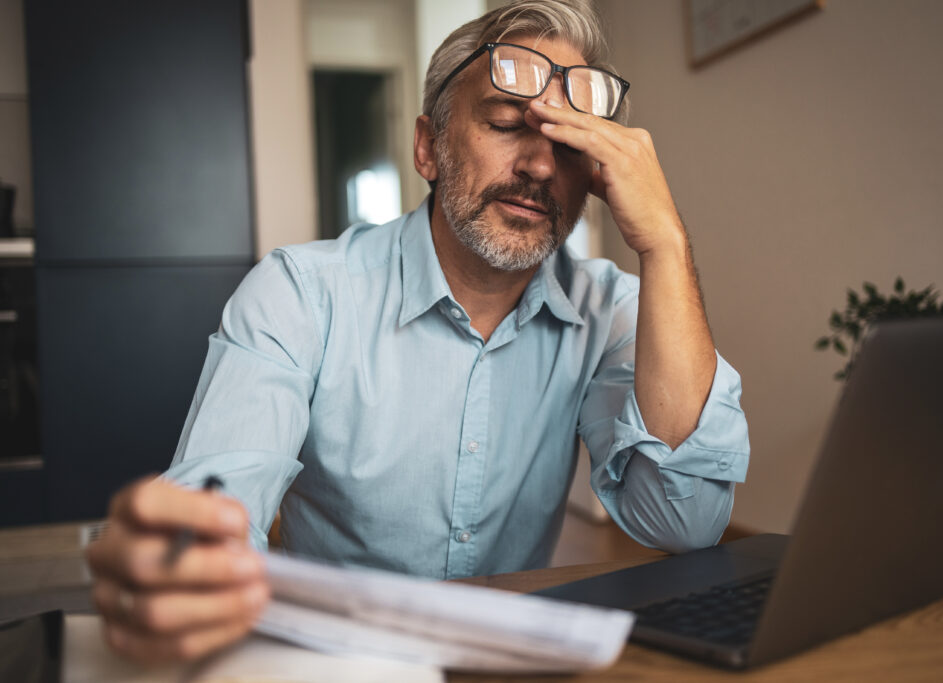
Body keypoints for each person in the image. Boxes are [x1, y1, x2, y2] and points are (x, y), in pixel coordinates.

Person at [86, 0, 749, 662]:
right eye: (505, 124)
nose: (541, 166)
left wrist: (663, 243)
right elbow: (218, 501)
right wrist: (183, 565)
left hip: (502, 666)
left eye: (570, 144)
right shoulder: (300, 292)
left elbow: (683, 522)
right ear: (429, 147)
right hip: (330, 662)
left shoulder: (611, 309)